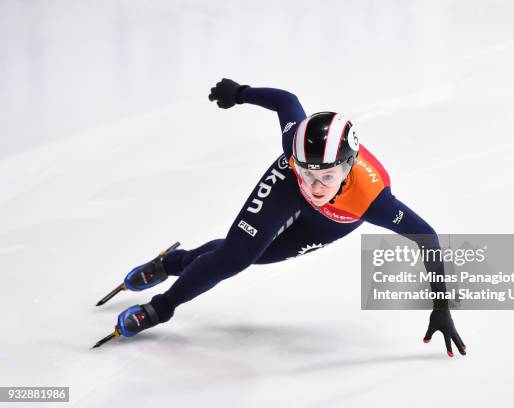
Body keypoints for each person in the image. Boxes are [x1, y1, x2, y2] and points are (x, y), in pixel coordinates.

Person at [112, 78, 466, 357]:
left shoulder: (372, 199)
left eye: (326, 177)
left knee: (256, 256)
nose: (314, 186)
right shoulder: (294, 147)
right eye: (307, 172)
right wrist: (240, 93)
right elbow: (286, 101)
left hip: (332, 220)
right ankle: (160, 308)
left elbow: (427, 235)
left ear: (347, 168)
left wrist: (440, 305)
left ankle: (174, 262)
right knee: (236, 256)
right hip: (284, 187)